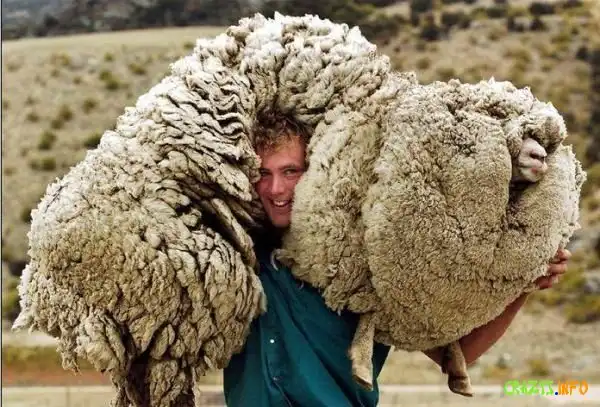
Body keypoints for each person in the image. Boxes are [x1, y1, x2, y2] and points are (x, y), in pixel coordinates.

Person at [223, 115, 571, 407]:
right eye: (264, 174)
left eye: (290, 171)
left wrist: (523, 285)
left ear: (317, 170)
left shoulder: (370, 260)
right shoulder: (228, 254)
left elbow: (460, 352)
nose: (275, 189)